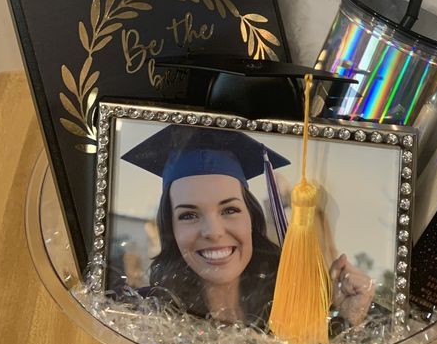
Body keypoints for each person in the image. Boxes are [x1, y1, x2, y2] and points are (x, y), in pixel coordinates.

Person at [122, 125, 375, 330]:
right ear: (171, 230)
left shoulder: (294, 308)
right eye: (188, 215)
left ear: (252, 219)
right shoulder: (143, 316)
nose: (214, 231)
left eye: (229, 210)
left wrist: (347, 320)